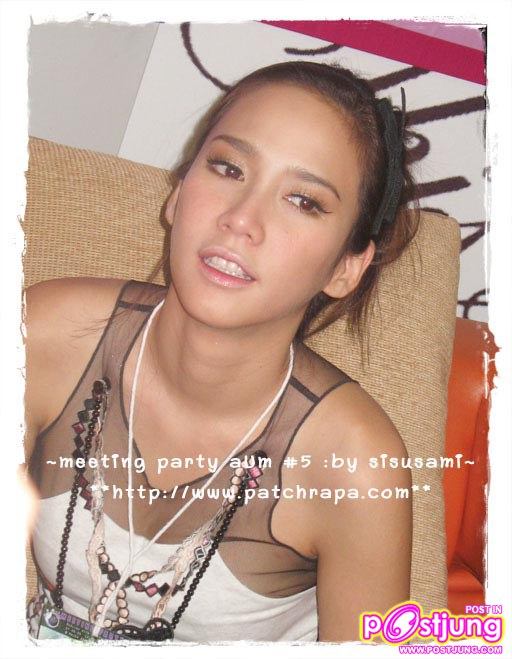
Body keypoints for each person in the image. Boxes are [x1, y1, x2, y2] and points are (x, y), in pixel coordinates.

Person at [23, 60, 419, 643]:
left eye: (304, 201)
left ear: (345, 266)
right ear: (178, 193)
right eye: (228, 168)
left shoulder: (356, 464)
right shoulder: (49, 334)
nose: (241, 220)